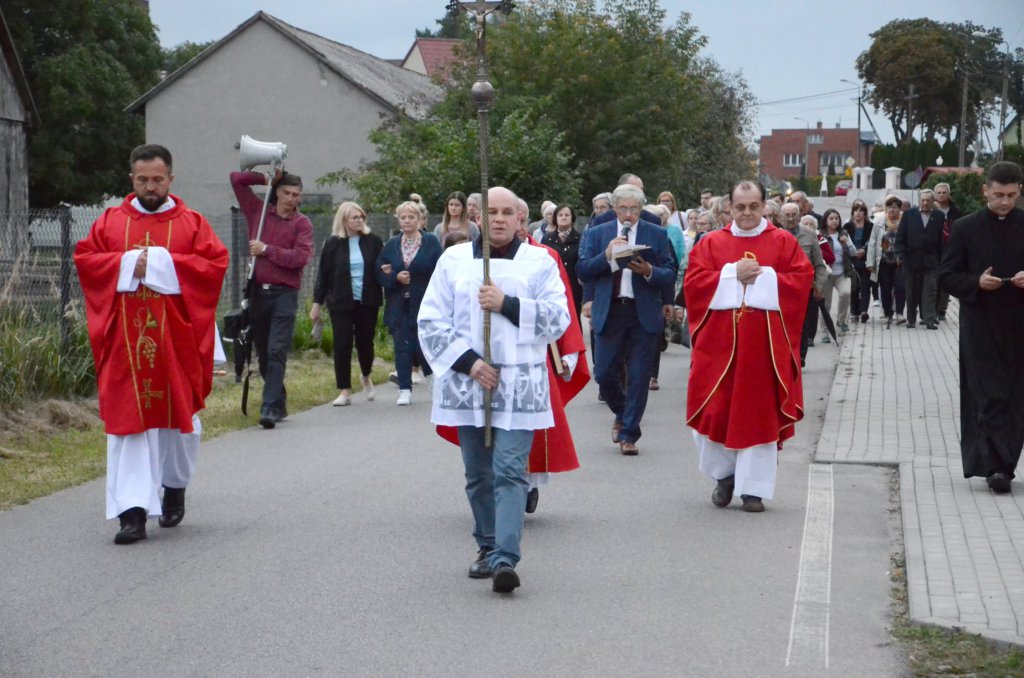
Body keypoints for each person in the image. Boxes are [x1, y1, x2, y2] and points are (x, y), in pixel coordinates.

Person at [418, 186, 570, 593]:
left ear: (520, 219)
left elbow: (558, 319)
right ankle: (485, 546)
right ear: (479, 217)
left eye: (508, 212)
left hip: (520, 381)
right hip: (469, 381)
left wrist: (507, 304)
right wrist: (471, 363)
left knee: (509, 469)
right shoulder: (453, 261)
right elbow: (431, 321)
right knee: (478, 473)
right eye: (492, 212)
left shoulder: (540, 262)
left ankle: (505, 557)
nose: (500, 219)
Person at [75, 144, 228, 544]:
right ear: (132, 179)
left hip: (176, 341)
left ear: (170, 179)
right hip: (125, 345)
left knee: (180, 425)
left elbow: (214, 266)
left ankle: (174, 486)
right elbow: (86, 260)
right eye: (142, 179)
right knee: (129, 427)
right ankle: (132, 512)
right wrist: (127, 263)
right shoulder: (109, 222)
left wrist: (157, 263)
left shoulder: (192, 223)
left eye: (157, 179)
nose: (150, 187)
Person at [684, 181, 813, 512]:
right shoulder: (711, 243)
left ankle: (753, 489)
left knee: (758, 414)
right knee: (714, 410)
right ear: (729, 207)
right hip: (718, 349)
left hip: (763, 351)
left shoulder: (783, 242)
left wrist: (764, 277)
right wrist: (731, 274)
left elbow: (801, 281)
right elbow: (693, 284)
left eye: (753, 206)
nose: (746, 213)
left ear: (764, 206)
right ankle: (725, 476)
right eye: (740, 207)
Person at [938, 161, 1024, 494]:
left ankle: (1007, 464)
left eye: (1012, 196)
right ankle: (993, 467)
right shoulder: (965, 228)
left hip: (1019, 325)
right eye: (999, 194)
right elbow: (947, 275)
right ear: (985, 190)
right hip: (981, 325)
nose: (1005, 202)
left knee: (1015, 396)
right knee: (989, 394)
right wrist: (977, 282)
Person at [577, 183, 676, 455]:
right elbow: (584, 270)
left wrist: (648, 271)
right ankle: (622, 413)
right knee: (604, 373)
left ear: (641, 209)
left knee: (639, 375)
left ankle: (630, 433)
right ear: (615, 208)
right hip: (610, 311)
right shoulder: (598, 233)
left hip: (642, 312)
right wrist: (607, 257)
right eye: (623, 208)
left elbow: (669, 270)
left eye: (634, 209)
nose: (628, 214)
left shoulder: (655, 233)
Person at [230, 166, 313, 429]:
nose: (291, 198)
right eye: (286, 192)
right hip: (258, 292)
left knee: (277, 349)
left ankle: (268, 408)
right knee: (264, 352)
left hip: (285, 295)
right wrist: (267, 178)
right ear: (277, 192)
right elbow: (236, 180)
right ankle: (278, 399)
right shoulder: (259, 210)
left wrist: (267, 250)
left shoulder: (303, 224)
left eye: (296, 194)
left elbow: (300, 258)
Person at [311, 201, 384, 406]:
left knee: (365, 342)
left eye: (361, 217)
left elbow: (382, 267)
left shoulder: (373, 241)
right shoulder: (332, 244)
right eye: (355, 217)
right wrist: (317, 303)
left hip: (367, 300)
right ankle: (344, 389)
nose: (359, 220)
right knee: (342, 343)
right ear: (344, 220)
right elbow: (322, 276)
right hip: (340, 301)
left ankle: (366, 375)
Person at [376, 201, 441, 405]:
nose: (406, 221)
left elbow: (440, 270)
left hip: (424, 303)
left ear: (419, 219)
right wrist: (395, 277)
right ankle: (405, 388)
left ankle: (433, 382)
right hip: (399, 304)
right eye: (402, 217)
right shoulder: (393, 244)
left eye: (411, 217)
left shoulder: (431, 242)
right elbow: (379, 268)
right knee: (402, 346)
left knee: (425, 346)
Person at [779, 202, 829, 367]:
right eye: (787, 215)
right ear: (781, 217)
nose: (791, 218)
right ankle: (785, 356)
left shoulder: (809, 234)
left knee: (801, 324)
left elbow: (819, 263)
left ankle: (800, 357)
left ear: (799, 215)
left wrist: (819, 286)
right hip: (782, 288)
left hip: (804, 288)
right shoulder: (776, 235)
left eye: (794, 214)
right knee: (784, 325)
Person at [896, 188, 944, 329]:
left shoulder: (939, 216)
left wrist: (941, 259)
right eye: (923, 200)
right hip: (911, 259)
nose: (925, 203)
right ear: (919, 201)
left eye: (928, 200)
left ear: (932, 201)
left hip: (930, 260)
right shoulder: (908, 214)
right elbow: (900, 236)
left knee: (930, 290)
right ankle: (911, 319)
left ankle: (929, 319)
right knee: (911, 291)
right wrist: (899, 254)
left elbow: (941, 239)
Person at [866, 195, 907, 325]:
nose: (891, 210)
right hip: (883, 261)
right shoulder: (879, 223)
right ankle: (887, 312)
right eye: (889, 207)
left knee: (900, 287)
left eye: (894, 207)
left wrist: (904, 256)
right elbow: (872, 243)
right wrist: (870, 262)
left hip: (899, 262)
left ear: (899, 209)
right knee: (885, 288)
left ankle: (899, 313)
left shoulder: (905, 222)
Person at [541, 204, 583, 324]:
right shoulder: (547, 239)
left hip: (574, 287)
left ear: (572, 218)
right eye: (560, 215)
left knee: (573, 321)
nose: (563, 217)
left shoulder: (580, 238)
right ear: (555, 218)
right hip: (553, 285)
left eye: (567, 215)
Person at [819, 208, 857, 336]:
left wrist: (847, 242)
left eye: (836, 218)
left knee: (845, 293)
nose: (834, 221)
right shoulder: (821, 235)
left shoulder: (844, 233)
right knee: (826, 304)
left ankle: (841, 321)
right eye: (831, 218)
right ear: (826, 220)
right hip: (827, 273)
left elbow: (853, 252)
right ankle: (825, 332)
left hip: (843, 272)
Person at [933, 182, 962, 321]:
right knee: (932, 281)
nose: (941, 195)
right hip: (932, 251)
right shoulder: (929, 209)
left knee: (944, 279)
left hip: (950, 250)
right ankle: (930, 308)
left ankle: (941, 309)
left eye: (944, 192)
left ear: (949, 194)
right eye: (938, 192)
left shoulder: (956, 212)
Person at [844, 200, 873, 323]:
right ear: (852, 213)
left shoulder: (870, 227)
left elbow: (872, 243)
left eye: (861, 211)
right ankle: (854, 311)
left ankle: (863, 311)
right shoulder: (847, 227)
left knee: (865, 286)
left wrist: (864, 250)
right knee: (853, 287)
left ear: (865, 214)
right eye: (856, 211)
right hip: (852, 261)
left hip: (866, 261)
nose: (858, 213)